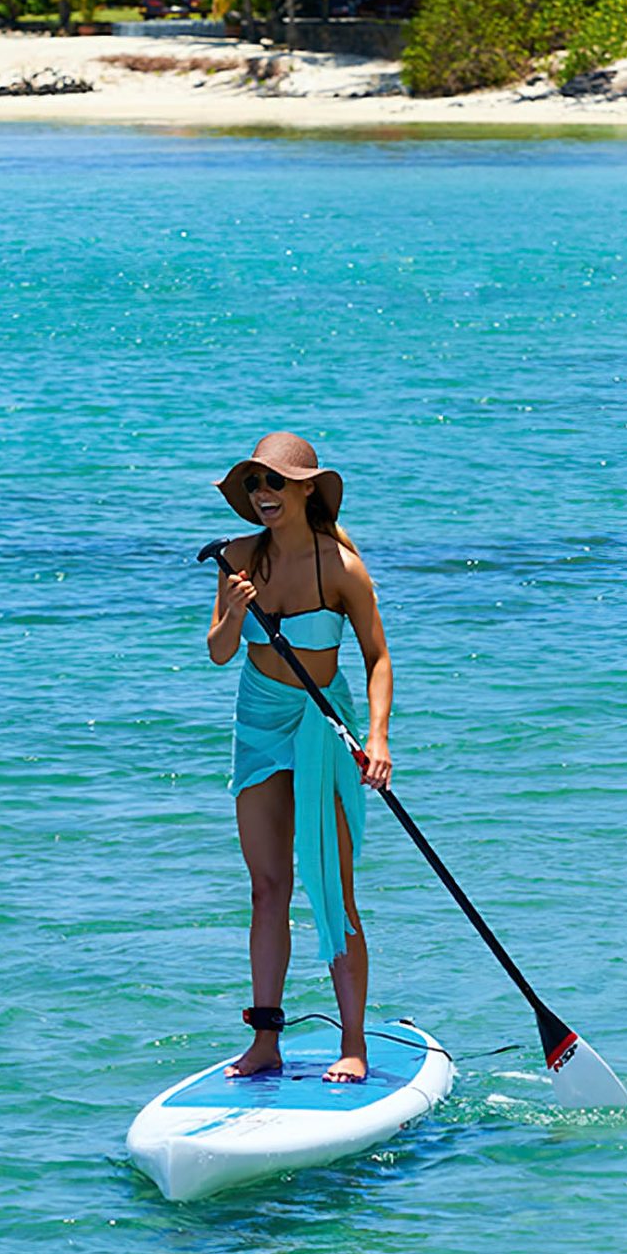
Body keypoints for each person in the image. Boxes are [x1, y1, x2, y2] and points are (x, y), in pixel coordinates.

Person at [206, 433, 393, 1083]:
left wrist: (378, 738)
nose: (263, 496)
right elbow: (219, 653)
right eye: (255, 485)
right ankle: (265, 1040)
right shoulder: (234, 558)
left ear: (306, 488)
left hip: (320, 724)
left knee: (331, 889)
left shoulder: (338, 567)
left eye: (275, 484)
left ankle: (353, 1044)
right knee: (266, 888)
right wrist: (231, 612)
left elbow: (376, 656)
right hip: (256, 724)